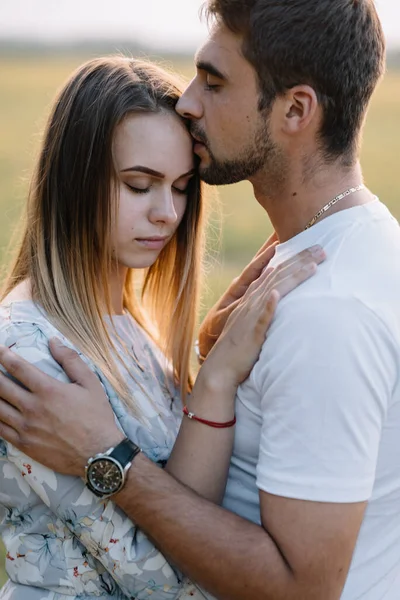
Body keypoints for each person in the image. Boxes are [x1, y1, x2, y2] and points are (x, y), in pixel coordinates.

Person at [0, 0, 398, 599]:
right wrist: (211, 370)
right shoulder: (340, 253)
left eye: (213, 81)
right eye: (140, 184)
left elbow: (300, 588)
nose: (188, 100)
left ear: (296, 109)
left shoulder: (328, 306)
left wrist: (110, 454)